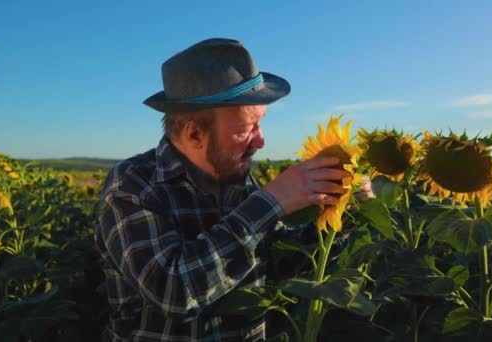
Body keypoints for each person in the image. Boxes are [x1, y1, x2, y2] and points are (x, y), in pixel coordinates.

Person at [94, 38, 366, 341]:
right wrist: (272, 201)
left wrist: (342, 211)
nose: (260, 141)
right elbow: (174, 291)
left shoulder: (241, 182)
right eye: (246, 128)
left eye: (260, 124)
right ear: (195, 133)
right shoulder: (133, 186)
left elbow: (278, 264)